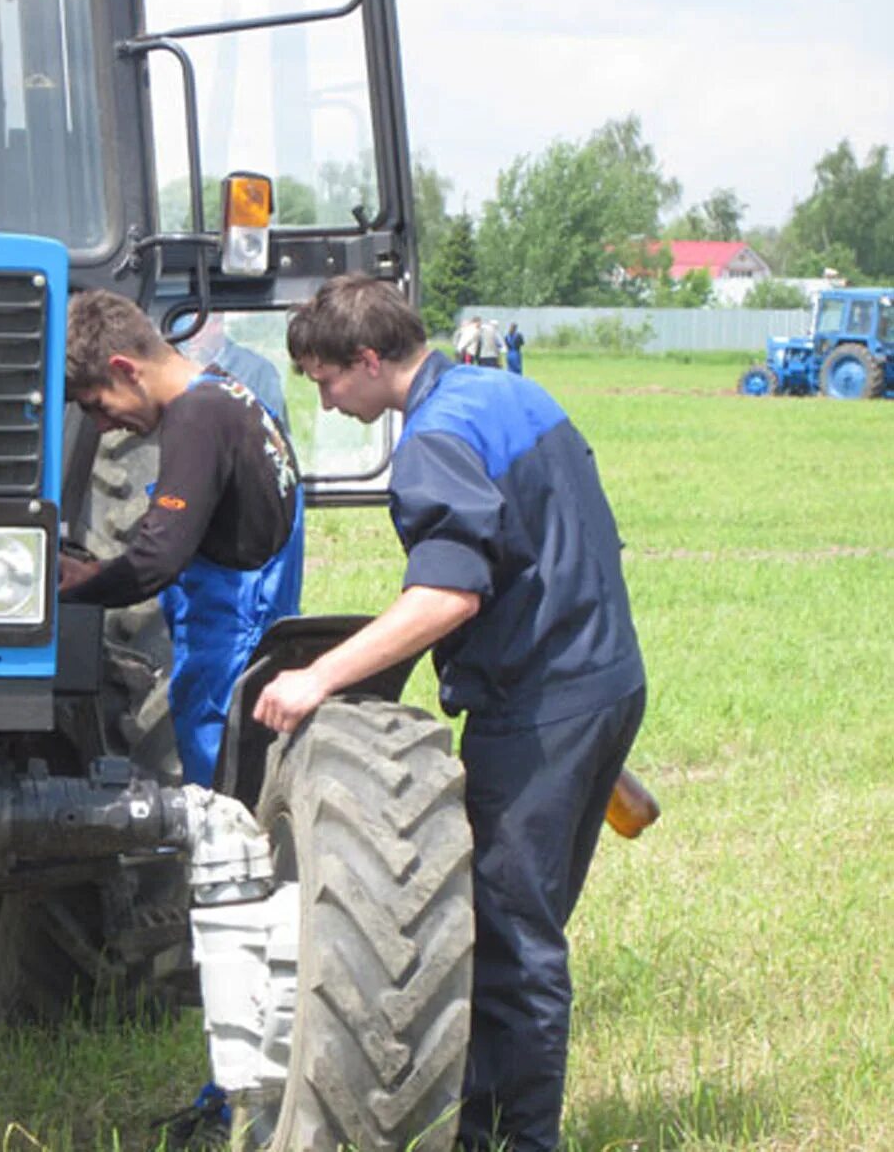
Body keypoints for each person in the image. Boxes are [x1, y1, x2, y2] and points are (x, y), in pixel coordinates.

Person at [253, 276, 645, 1152]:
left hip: (538, 709)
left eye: (325, 380)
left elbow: (445, 597)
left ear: (366, 359)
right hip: (605, 681)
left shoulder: (432, 441)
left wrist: (318, 677)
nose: (326, 399)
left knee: (508, 944)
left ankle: (512, 1141)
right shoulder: (509, 390)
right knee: (517, 923)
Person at [60, 289, 304, 793]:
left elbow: (158, 560)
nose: (103, 426)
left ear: (126, 368)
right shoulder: (229, 393)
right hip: (241, 624)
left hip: (227, 645)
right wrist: (98, 573)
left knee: (215, 799)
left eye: (98, 406)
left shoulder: (196, 418)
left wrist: (69, 593)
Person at [174, 309, 291, 433]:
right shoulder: (176, 368)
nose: (190, 337)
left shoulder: (258, 371)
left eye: (195, 326)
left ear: (217, 325)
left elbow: (277, 435)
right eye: (184, 327)